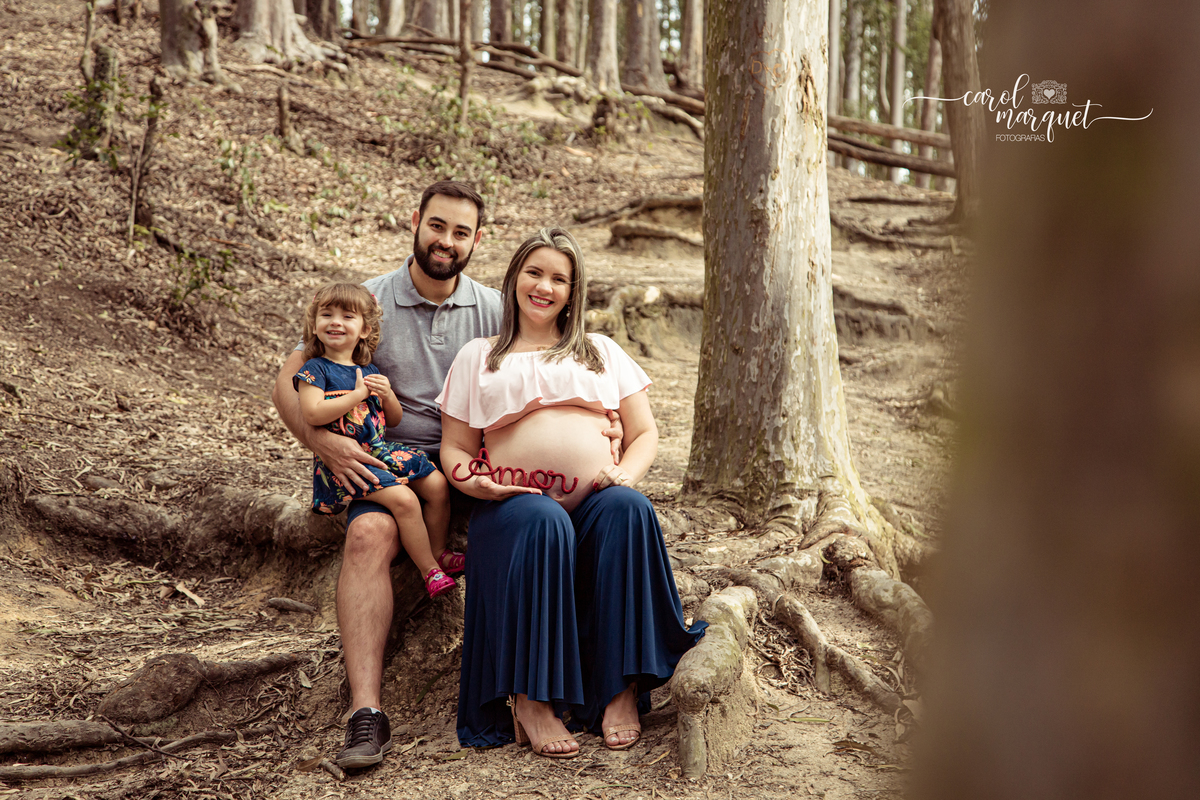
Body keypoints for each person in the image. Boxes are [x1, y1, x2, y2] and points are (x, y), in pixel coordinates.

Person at [272, 182, 623, 770]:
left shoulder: (497, 307)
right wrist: (322, 442)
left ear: (478, 240)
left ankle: (579, 687)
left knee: (550, 524)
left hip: (481, 465)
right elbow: (290, 378)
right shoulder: (370, 298)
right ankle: (367, 713)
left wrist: (603, 429)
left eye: (461, 232)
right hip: (390, 459)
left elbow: (560, 367)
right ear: (416, 222)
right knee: (367, 536)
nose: (447, 241)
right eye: (438, 226)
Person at [438, 227, 707, 758]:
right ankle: (531, 701)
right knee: (544, 521)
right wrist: (476, 482)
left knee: (629, 510)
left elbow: (644, 432)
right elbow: (454, 448)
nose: (544, 286)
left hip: (594, 504)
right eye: (534, 272)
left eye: (559, 278)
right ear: (514, 278)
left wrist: (625, 474)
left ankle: (620, 691)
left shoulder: (600, 352)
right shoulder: (479, 356)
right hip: (512, 511)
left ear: (573, 290)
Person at [292, 282, 459, 600]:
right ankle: (429, 571)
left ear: (365, 329)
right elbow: (313, 414)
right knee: (406, 501)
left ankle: (439, 552)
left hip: (380, 450)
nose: (336, 322)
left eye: (347, 316)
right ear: (314, 324)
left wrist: (388, 394)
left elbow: (391, 420)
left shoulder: (367, 369)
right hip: (348, 462)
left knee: (437, 485)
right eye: (326, 314)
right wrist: (357, 394)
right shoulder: (315, 370)